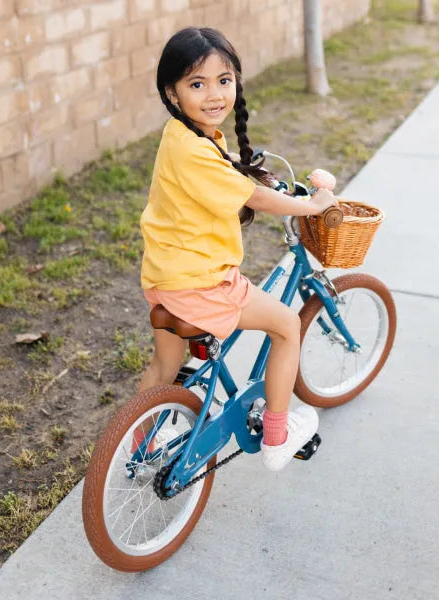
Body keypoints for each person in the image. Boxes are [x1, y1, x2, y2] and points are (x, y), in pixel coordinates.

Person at [135, 27, 338, 472]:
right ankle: (278, 438)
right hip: (201, 282)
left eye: (223, 81)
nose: (214, 95)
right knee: (286, 325)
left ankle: (140, 446)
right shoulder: (195, 149)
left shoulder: (182, 135)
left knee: (163, 365)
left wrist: (257, 177)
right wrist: (311, 204)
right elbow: (255, 200)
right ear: (171, 92)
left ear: (236, 83)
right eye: (197, 84)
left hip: (164, 278)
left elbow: (233, 182)